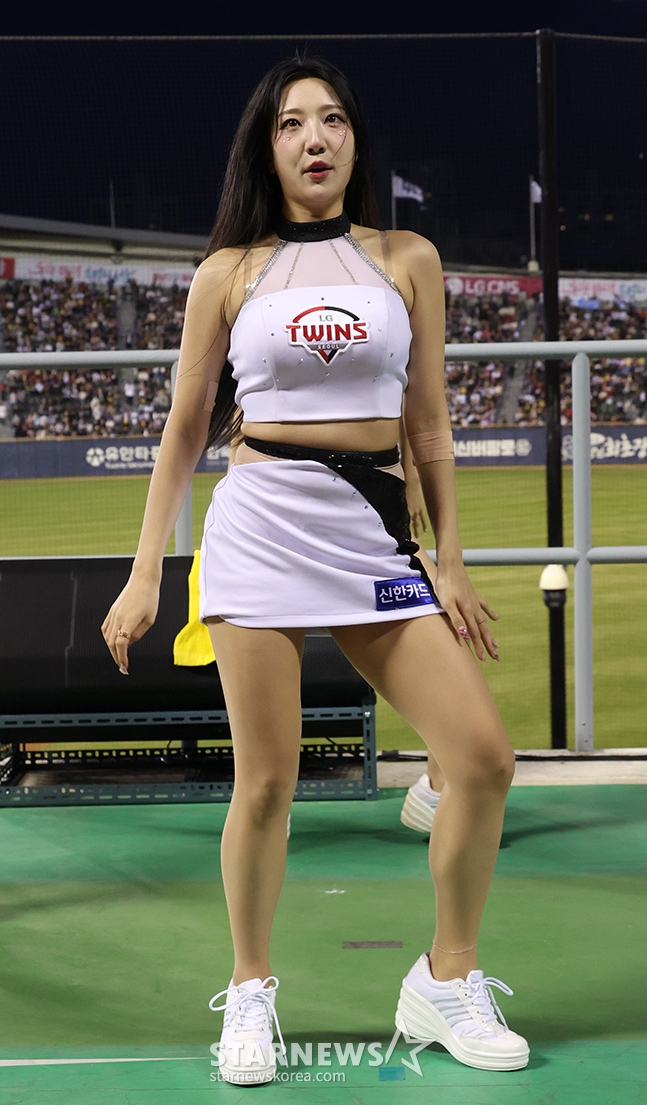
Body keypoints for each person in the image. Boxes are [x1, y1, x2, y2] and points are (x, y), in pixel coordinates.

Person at [102, 56, 529, 1082]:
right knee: (266, 783)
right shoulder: (228, 272)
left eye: (331, 119)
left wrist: (448, 558)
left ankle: (444, 978)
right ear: (267, 149)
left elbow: (429, 423)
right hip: (259, 525)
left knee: (480, 758)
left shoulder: (406, 258)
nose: (314, 138)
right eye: (291, 123)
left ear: (353, 140)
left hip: (370, 533)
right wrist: (146, 572)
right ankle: (250, 990)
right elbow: (184, 430)